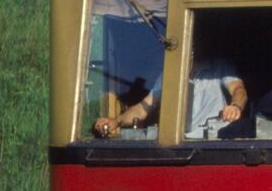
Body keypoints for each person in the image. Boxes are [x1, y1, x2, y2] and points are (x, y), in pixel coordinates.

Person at [93, 56, 248, 137]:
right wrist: (116, 121)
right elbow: (143, 107)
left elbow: (239, 90)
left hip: (213, 143)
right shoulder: (171, 72)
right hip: (182, 146)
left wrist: (235, 107)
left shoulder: (220, 66)